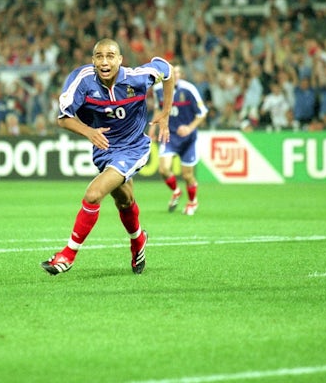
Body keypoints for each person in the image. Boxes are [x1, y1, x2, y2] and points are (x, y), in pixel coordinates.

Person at [41, 38, 174, 276]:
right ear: (93, 60)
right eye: (99, 56)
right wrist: (89, 131)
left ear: (120, 60)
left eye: (110, 56)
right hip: (104, 150)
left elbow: (167, 69)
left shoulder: (137, 77)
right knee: (124, 200)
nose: (104, 61)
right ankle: (138, 240)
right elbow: (63, 118)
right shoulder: (81, 81)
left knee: (93, 194)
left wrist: (165, 113)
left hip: (134, 147)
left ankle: (68, 255)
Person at [153, 65, 208, 216]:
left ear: (181, 74)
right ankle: (176, 192)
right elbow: (159, 109)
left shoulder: (189, 89)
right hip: (169, 136)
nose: (175, 75)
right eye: (172, 73)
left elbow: (202, 113)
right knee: (164, 170)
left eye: (177, 72)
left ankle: (192, 202)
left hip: (188, 138)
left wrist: (190, 128)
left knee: (187, 175)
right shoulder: (158, 89)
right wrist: (153, 127)